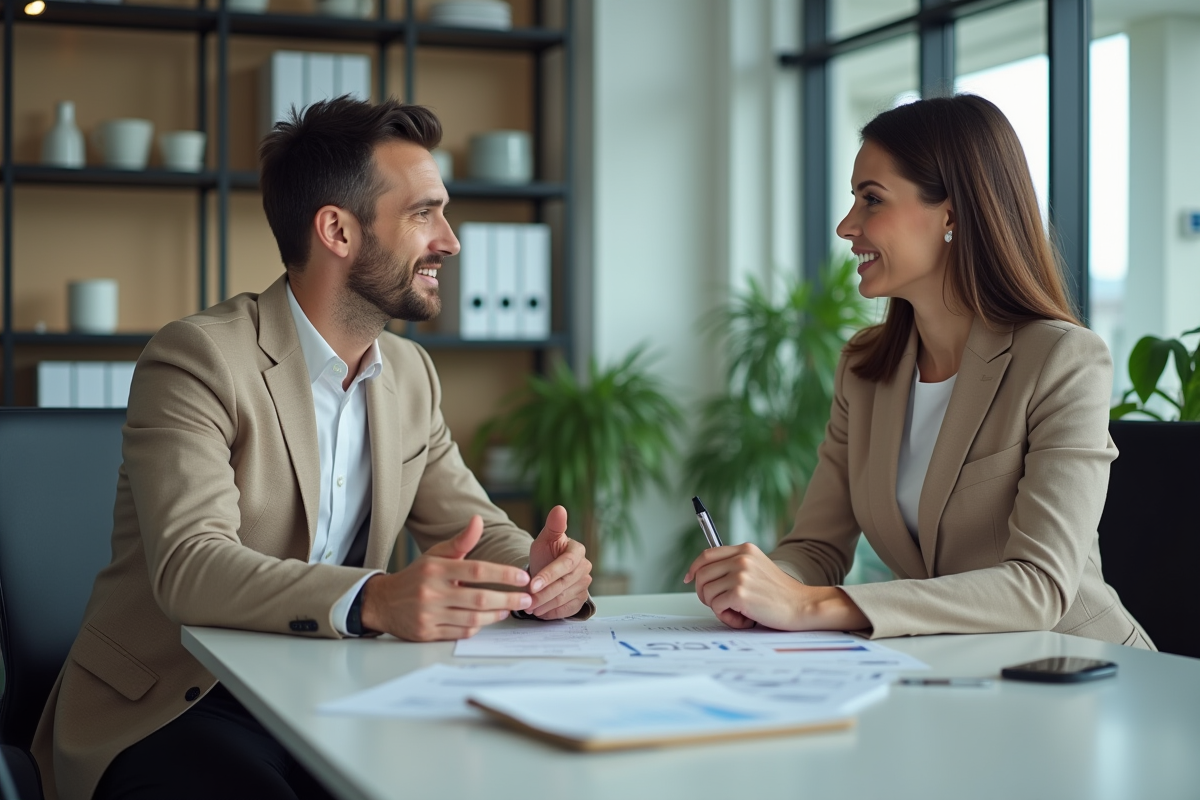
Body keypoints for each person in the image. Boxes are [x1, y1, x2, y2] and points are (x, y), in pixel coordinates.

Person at [32, 97, 594, 800]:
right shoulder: (199, 358)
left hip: (334, 691)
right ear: (337, 230)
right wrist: (376, 600)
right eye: (424, 213)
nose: (449, 240)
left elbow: (473, 529)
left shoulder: (410, 376)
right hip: (181, 702)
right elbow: (191, 566)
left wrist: (540, 578)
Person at [686, 94, 1153, 651]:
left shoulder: (1062, 360)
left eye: (871, 200)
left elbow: (1039, 587)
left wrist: (808, 604)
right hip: (953, 668)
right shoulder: (864, 369)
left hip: (1081, 672)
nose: (845, 225)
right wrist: (764, 586)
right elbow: (817, 547)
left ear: (951, 213)